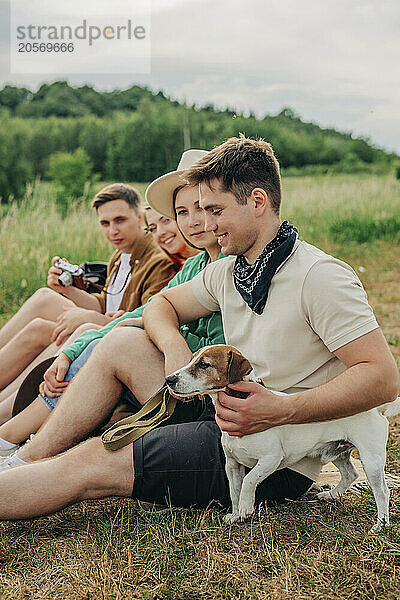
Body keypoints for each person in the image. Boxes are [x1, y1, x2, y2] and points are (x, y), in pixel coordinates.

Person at [0, 136, 398, 521]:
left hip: (279, 451)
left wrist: (283, 409)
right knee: (123, 340)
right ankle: (23, 459)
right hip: (218, 412)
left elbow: (382, 378)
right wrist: (175, 348)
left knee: (92, 460)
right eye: (199, 210)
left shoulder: (319, 276)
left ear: (257, 201)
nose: (206, 223)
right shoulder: (230, 269)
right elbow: (161, 303)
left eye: (216, 210)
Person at [0, 158, 224, 459]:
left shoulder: (221, 267)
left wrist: (161, 332)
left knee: (115, 339)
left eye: (203, 208)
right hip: (173, 376)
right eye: (182, 212)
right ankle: (13, 436)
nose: (194, 220)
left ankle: (16, 443)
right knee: (84, 330)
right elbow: (139, 311)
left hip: (200, 392)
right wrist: (71, 350)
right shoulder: (192, 265)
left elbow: (218, 348)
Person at [0, 183, 177, 402]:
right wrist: (68, 289)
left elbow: (144, 322)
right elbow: (106, 304)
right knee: (44, 300)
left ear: (140, 218)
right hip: (106, 325)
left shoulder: (159, 262)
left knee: (53, 330)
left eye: (120, 220)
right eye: (105, 223)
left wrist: (92, 318)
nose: (112, 231)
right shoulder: (121, 254)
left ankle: (9, 405)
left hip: (122, 338)